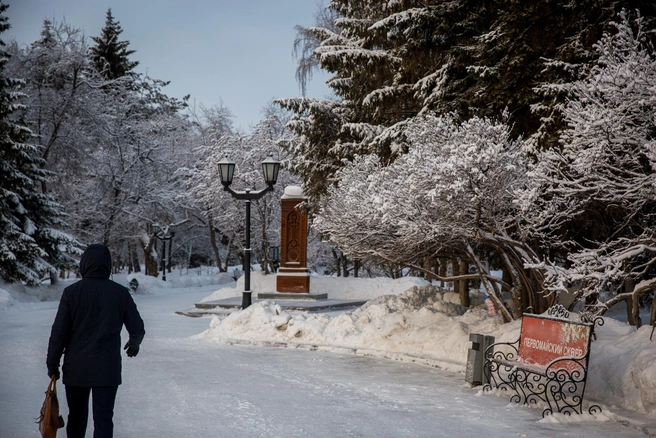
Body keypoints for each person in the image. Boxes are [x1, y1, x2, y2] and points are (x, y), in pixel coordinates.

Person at [47, 244, 145, 438]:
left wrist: (52, 363)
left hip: (76, 367)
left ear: (84, 264)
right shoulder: (120, 293)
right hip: (107, 367)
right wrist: (135, 342)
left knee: (76, 417)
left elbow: (59, 332)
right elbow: (137, 327)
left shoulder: (71, 293)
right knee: (104, 419)